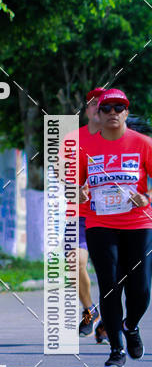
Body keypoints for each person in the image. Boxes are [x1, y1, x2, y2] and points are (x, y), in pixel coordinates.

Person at [79, 88, 152, 367]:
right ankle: (116, 348)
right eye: (106, 108)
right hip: (101, 224)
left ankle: (130, 326)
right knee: (109, 286)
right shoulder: (87, 148)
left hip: (138, 224)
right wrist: (79, 193)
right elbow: (73, 186)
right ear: (98, 113)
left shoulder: (143, 144)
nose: (112, 113)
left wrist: (147, 198)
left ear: (126, 112)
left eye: (118, 108)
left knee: (140, 289)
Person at [74, 88, 108, 343]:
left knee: (113, 273)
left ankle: (110, 319)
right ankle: (90, 311)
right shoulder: (74, 140)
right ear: (87, 109)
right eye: (94, 104)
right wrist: (76, 190)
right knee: (75, 262)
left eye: (105, 105)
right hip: (81, 215)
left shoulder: (119, 138)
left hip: (113, 217)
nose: (99, 108)